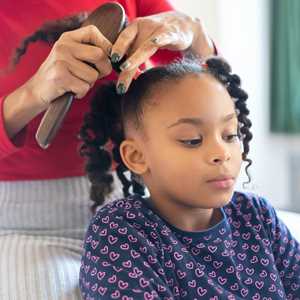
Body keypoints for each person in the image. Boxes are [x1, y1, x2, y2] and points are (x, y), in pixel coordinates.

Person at [0, 1, 216, 299]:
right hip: (29, 228)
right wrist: (32, 93)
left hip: (139, 210)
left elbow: (219, 103)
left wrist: (196, 35)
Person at [79, 56, 300, 299]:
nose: (221, 153)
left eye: (230, 135)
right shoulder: (120, 231)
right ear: (137, 156)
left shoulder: (257, 215)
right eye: (192, 140)